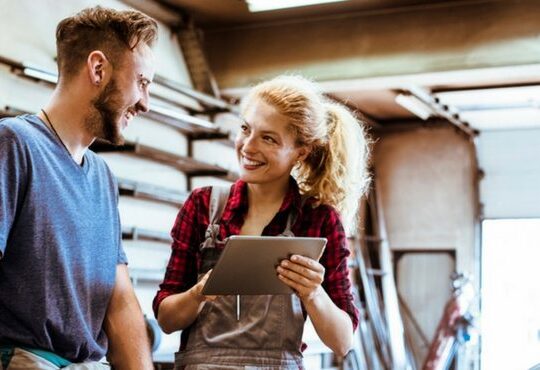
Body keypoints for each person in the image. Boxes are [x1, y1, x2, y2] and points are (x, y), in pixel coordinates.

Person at [153, 75, 371, 369]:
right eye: (245, 129)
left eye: (268, 138)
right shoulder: (203, 206)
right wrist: (200, 292)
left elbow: (343, 341)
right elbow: (166, 320)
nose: (247, 146)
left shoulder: (318, 220)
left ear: (301, 151)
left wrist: (312, 292)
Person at [0, 6, 158, 369]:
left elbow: (119, 301)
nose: (145, 103)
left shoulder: (102, 177)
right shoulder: (15, 144)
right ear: (98, 68)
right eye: (142, 83)